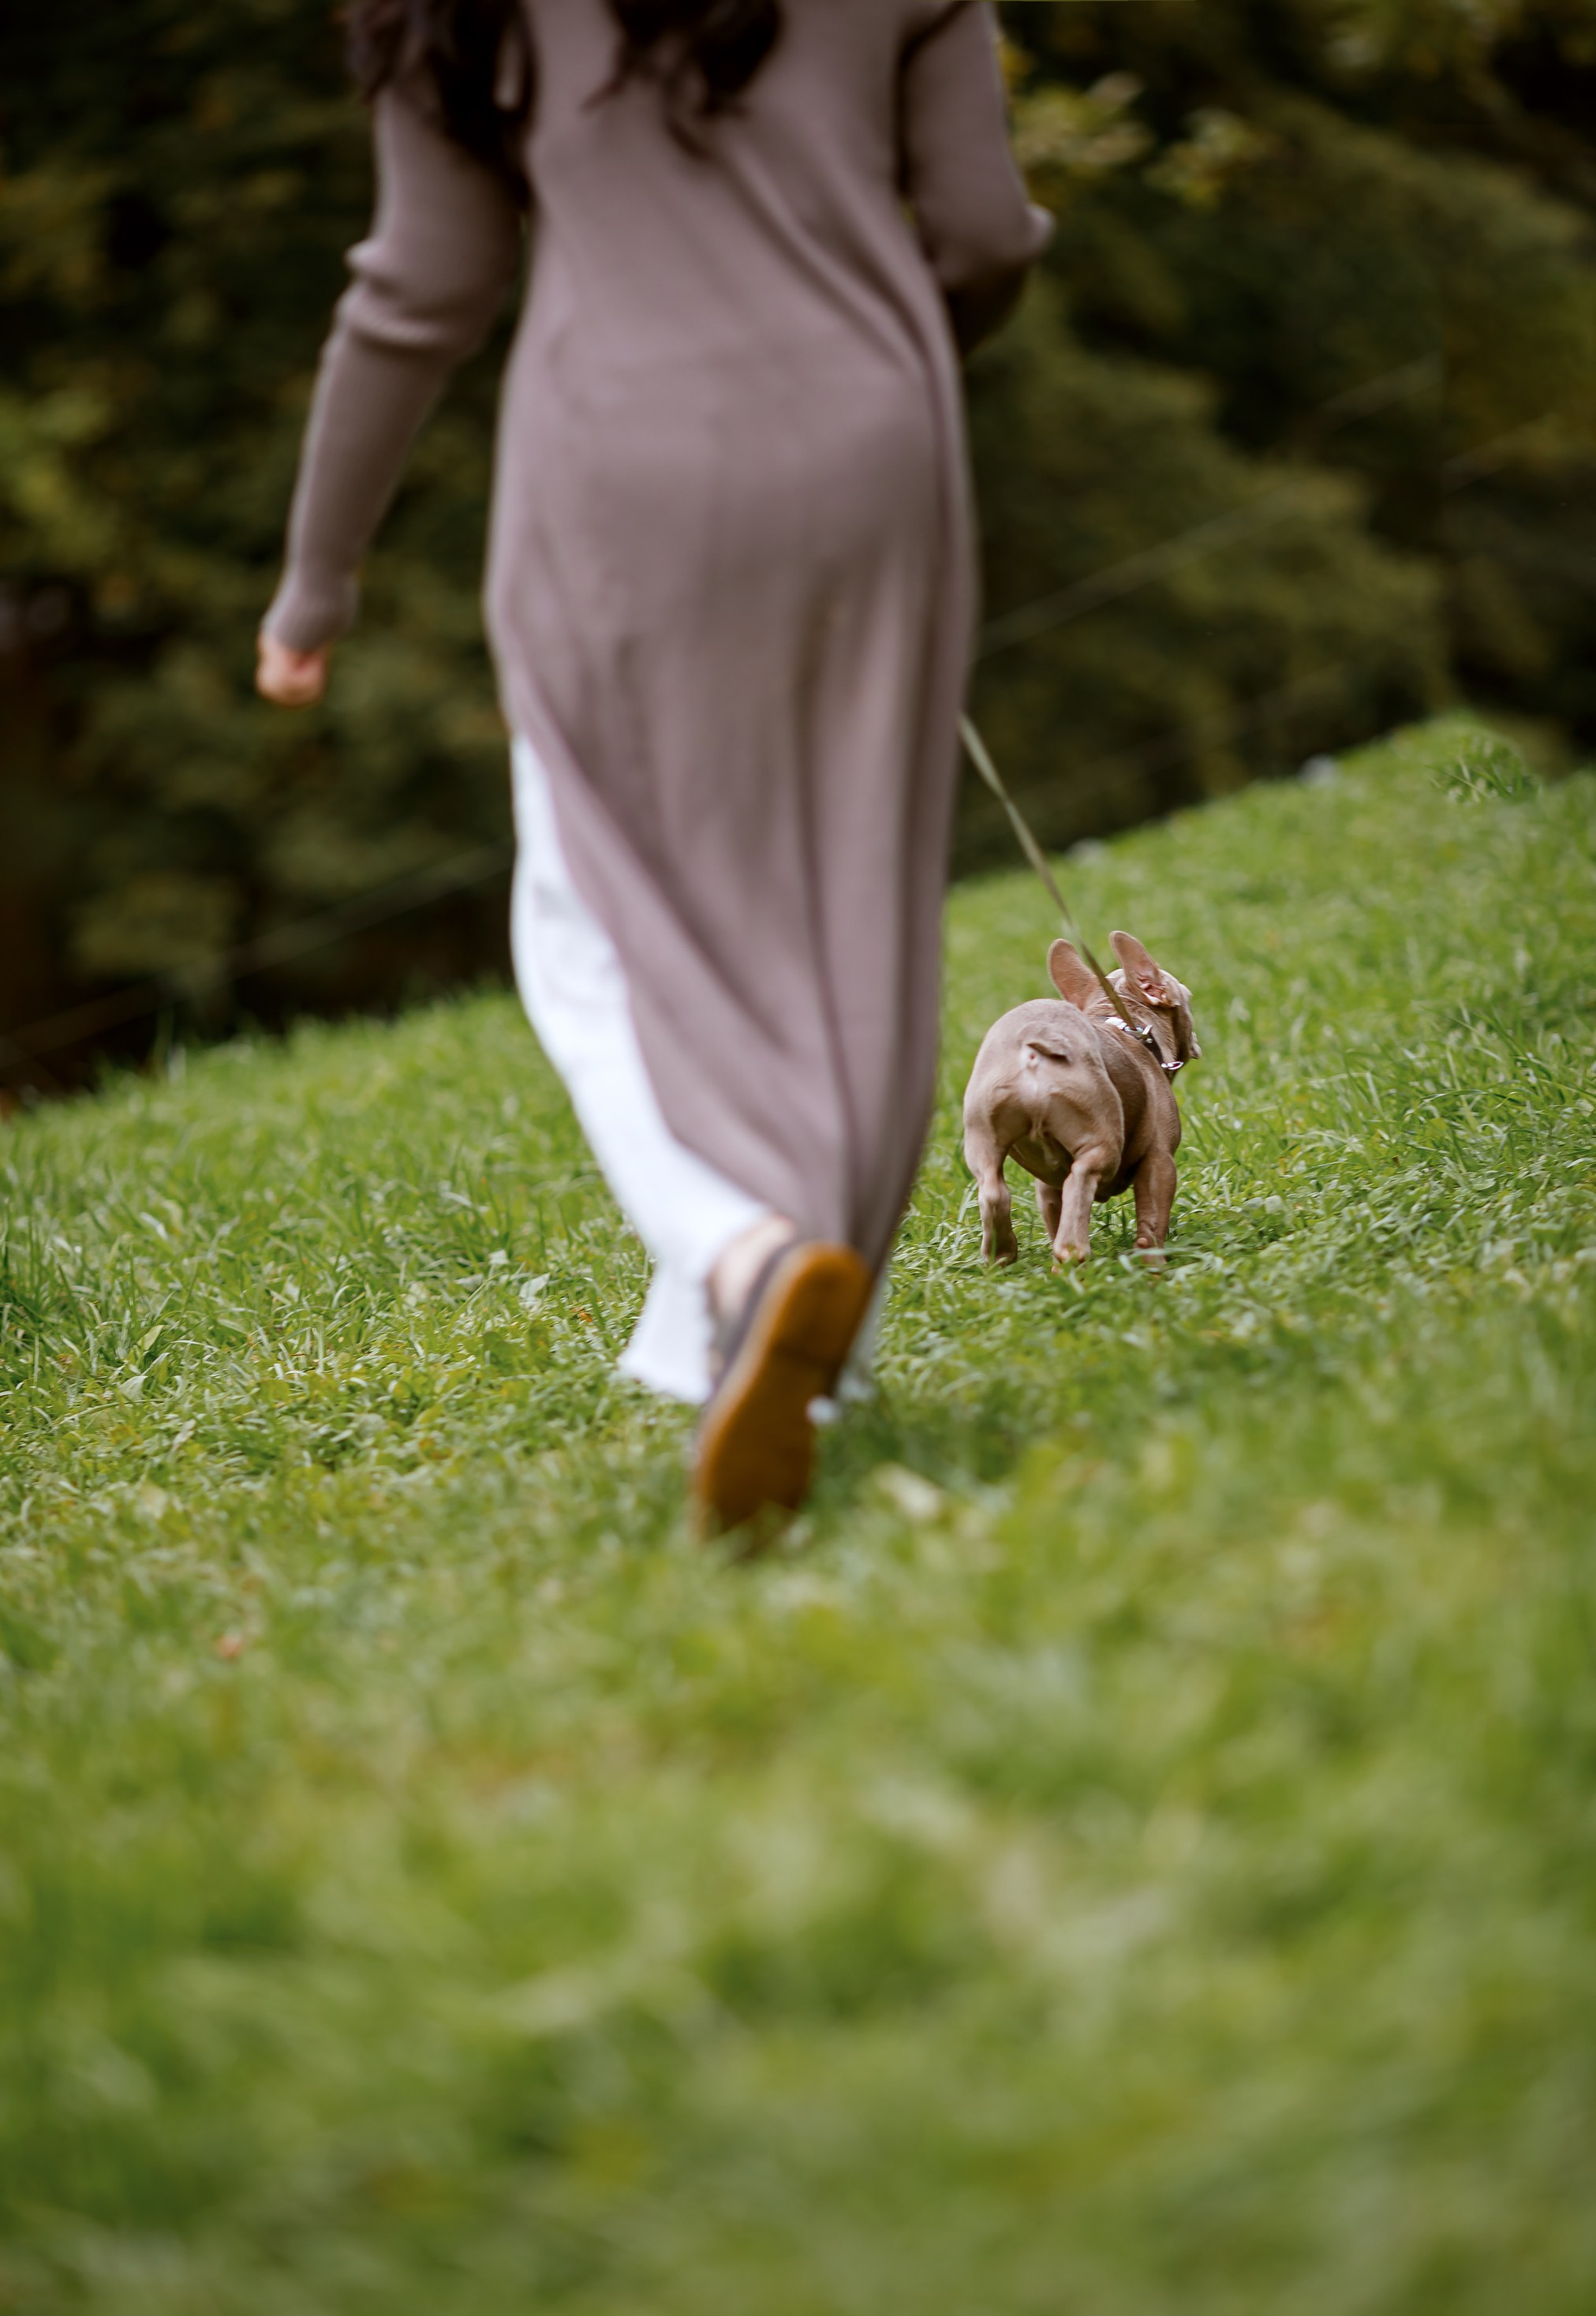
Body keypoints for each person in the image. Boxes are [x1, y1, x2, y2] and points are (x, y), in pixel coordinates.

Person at [258, 0, 1050, 1532]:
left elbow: (420, 285)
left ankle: (743, 1255)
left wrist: (314, 585)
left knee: (593, 916)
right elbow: (984, 234)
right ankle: (796, 1346)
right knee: (849, 896)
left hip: (615, 465)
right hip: (872, 448)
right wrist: (861, 349)